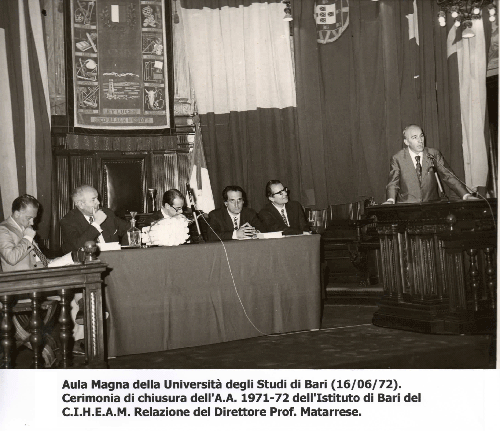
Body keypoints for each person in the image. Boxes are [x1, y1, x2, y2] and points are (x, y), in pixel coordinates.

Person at [384, 125, 478, 204]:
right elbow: (393, 183)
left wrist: (466, 195)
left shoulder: (433, 154)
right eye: (414, 137)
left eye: (421, 136)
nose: (420, 140)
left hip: (431, 205)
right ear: (406, 142)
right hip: (407, 206)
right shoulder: (397, 158)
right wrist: (390, 200)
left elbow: (448, 176)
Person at [60, 185, 130, 254]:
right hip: (87, 262)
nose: (98, 202)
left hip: (113, 258)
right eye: (93, 200)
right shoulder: (68, 221)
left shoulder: (107, 213)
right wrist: (96, 223)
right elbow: (78, 246)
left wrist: (123, 251)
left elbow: (129, 229)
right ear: (81, 204)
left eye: (97, 198)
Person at [0, 194, 47, 271]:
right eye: (29, 218)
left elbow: (34, 257)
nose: (32, 223)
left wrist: (50, 262)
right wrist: (28, 238)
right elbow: (11, 258)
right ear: (17, 214)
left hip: (36, 276)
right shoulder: (3, 230)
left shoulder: (25, 227)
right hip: (19, 280)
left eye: (33, 218)